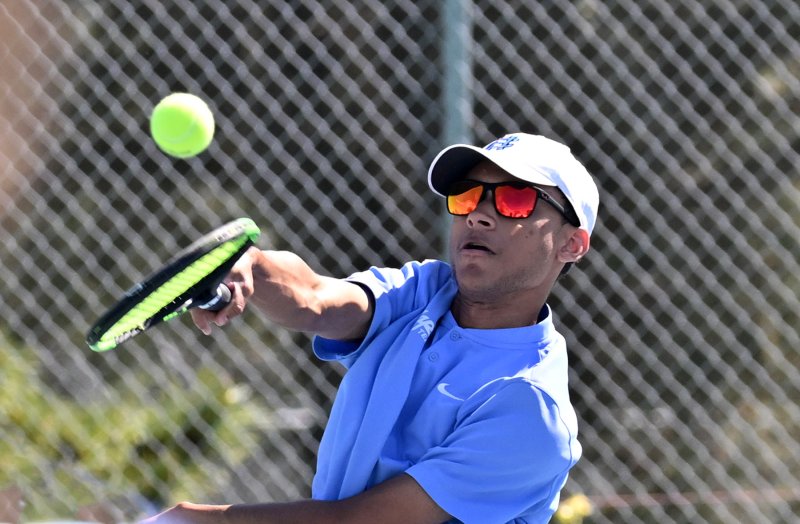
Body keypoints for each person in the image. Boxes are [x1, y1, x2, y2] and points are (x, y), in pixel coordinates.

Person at [141, 132, 600, 524]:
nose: (478, 214)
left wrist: (192, 518)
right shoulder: (424, 291)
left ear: (571, 244)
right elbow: (316, 299)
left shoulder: (530, 411)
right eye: (467, 197)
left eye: (514, 199)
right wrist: (253, 265)